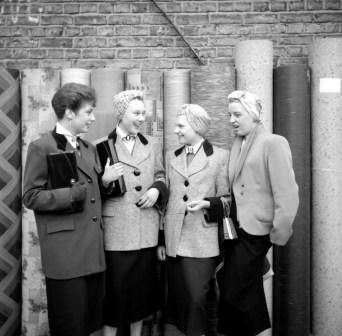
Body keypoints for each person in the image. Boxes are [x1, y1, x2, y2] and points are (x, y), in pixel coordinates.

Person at [22, 83, 106, 336]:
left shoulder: (89, 148)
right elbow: (30, 197)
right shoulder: (42, 147)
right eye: (88, 112)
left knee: (89, 324)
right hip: (66, 255)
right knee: (69, 326)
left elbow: (92, 193)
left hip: (92, 251)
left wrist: (107, 184)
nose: (93, 118)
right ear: (69, 112)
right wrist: (71, 195)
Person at [217, 90, 299, 336]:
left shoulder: (274, 142)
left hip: (257, 231)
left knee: (232, 289)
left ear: (253, 114)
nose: (231, 119)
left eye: (237, 114)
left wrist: (276, 235)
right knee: (246, 290)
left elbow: (287, 192)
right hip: (237, 230)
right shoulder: (239, 143)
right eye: (230, 114)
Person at [158, 104, 229, 336]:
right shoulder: (171, 156)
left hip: (203, 240)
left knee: (198, 297)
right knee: (179, 298)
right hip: (174, 240)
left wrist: (208, 203)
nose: (176, 130)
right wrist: (161, 240)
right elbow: (165, 202)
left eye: (181, 126)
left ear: (196, 126)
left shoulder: (220, 157)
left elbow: (228, 198)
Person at [100, 90, 168, 336]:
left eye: (144, 113)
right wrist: (106, 181)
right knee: (115, 295)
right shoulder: (101, 146)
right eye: (136, 113)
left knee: (141, 295)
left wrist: (156, 190)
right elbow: (93, 192)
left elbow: (161, 175)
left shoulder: (152, 143)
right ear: (121, 114)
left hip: (146, 231)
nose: (142, 118)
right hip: (117, 232)